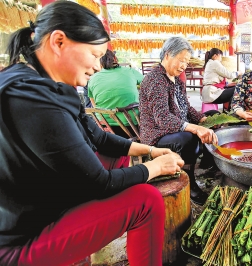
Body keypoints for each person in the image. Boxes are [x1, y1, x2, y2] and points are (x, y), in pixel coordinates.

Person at [0, 2, 185, 265]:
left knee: (115, 156)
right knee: (147, 200)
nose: (99, 67)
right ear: (59, 42)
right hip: (20, 241)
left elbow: (99, 138)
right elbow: (99, 182)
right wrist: (155, 168)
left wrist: (151, 150)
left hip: (48, 199)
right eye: (95, 55)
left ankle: (90, 251)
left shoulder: (49, 85)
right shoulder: (30, 98)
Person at [139, 36, 218, 206]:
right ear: (167, 55)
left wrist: (202, 119)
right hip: (157, 135)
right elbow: (163, 119)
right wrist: (195, 128)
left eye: (187, 62)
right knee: (188, 138)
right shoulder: (155, 80)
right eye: (181, 60)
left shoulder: (176, 79)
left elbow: (186, 108)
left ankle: (209, 162)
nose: (184, 65)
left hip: (175, 128)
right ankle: (189, 179)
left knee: (212, 116)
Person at [88, 49, 144, 138]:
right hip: (133, 127)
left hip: (106, 129)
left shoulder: (93, 79)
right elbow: (149, 85)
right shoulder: (129, 71)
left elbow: (94, 104)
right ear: (115, 59)